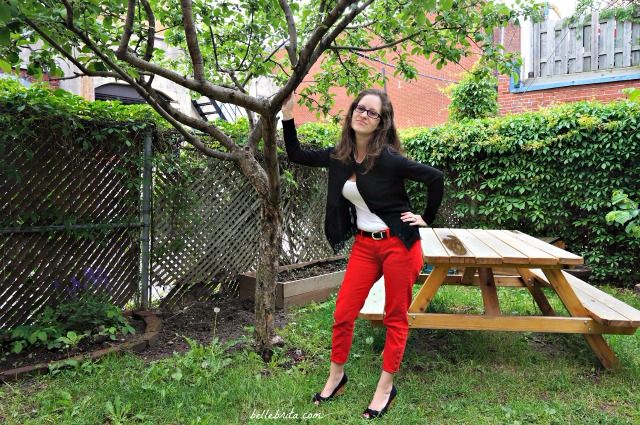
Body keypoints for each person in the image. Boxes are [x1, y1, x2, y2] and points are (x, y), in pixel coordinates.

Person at [281, 89, 444, 419]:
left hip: (399, 244)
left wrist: (427, 217)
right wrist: (288, 113)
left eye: (372, 112)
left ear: (382, 123)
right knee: (343, 313)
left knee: (394, 317)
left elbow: (435, 178)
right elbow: (296, 153)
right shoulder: (339, 156)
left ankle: (385, 388)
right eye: (359, 108)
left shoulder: (390, 159)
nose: (363, 114)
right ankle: (336, 378)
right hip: (366, 246)